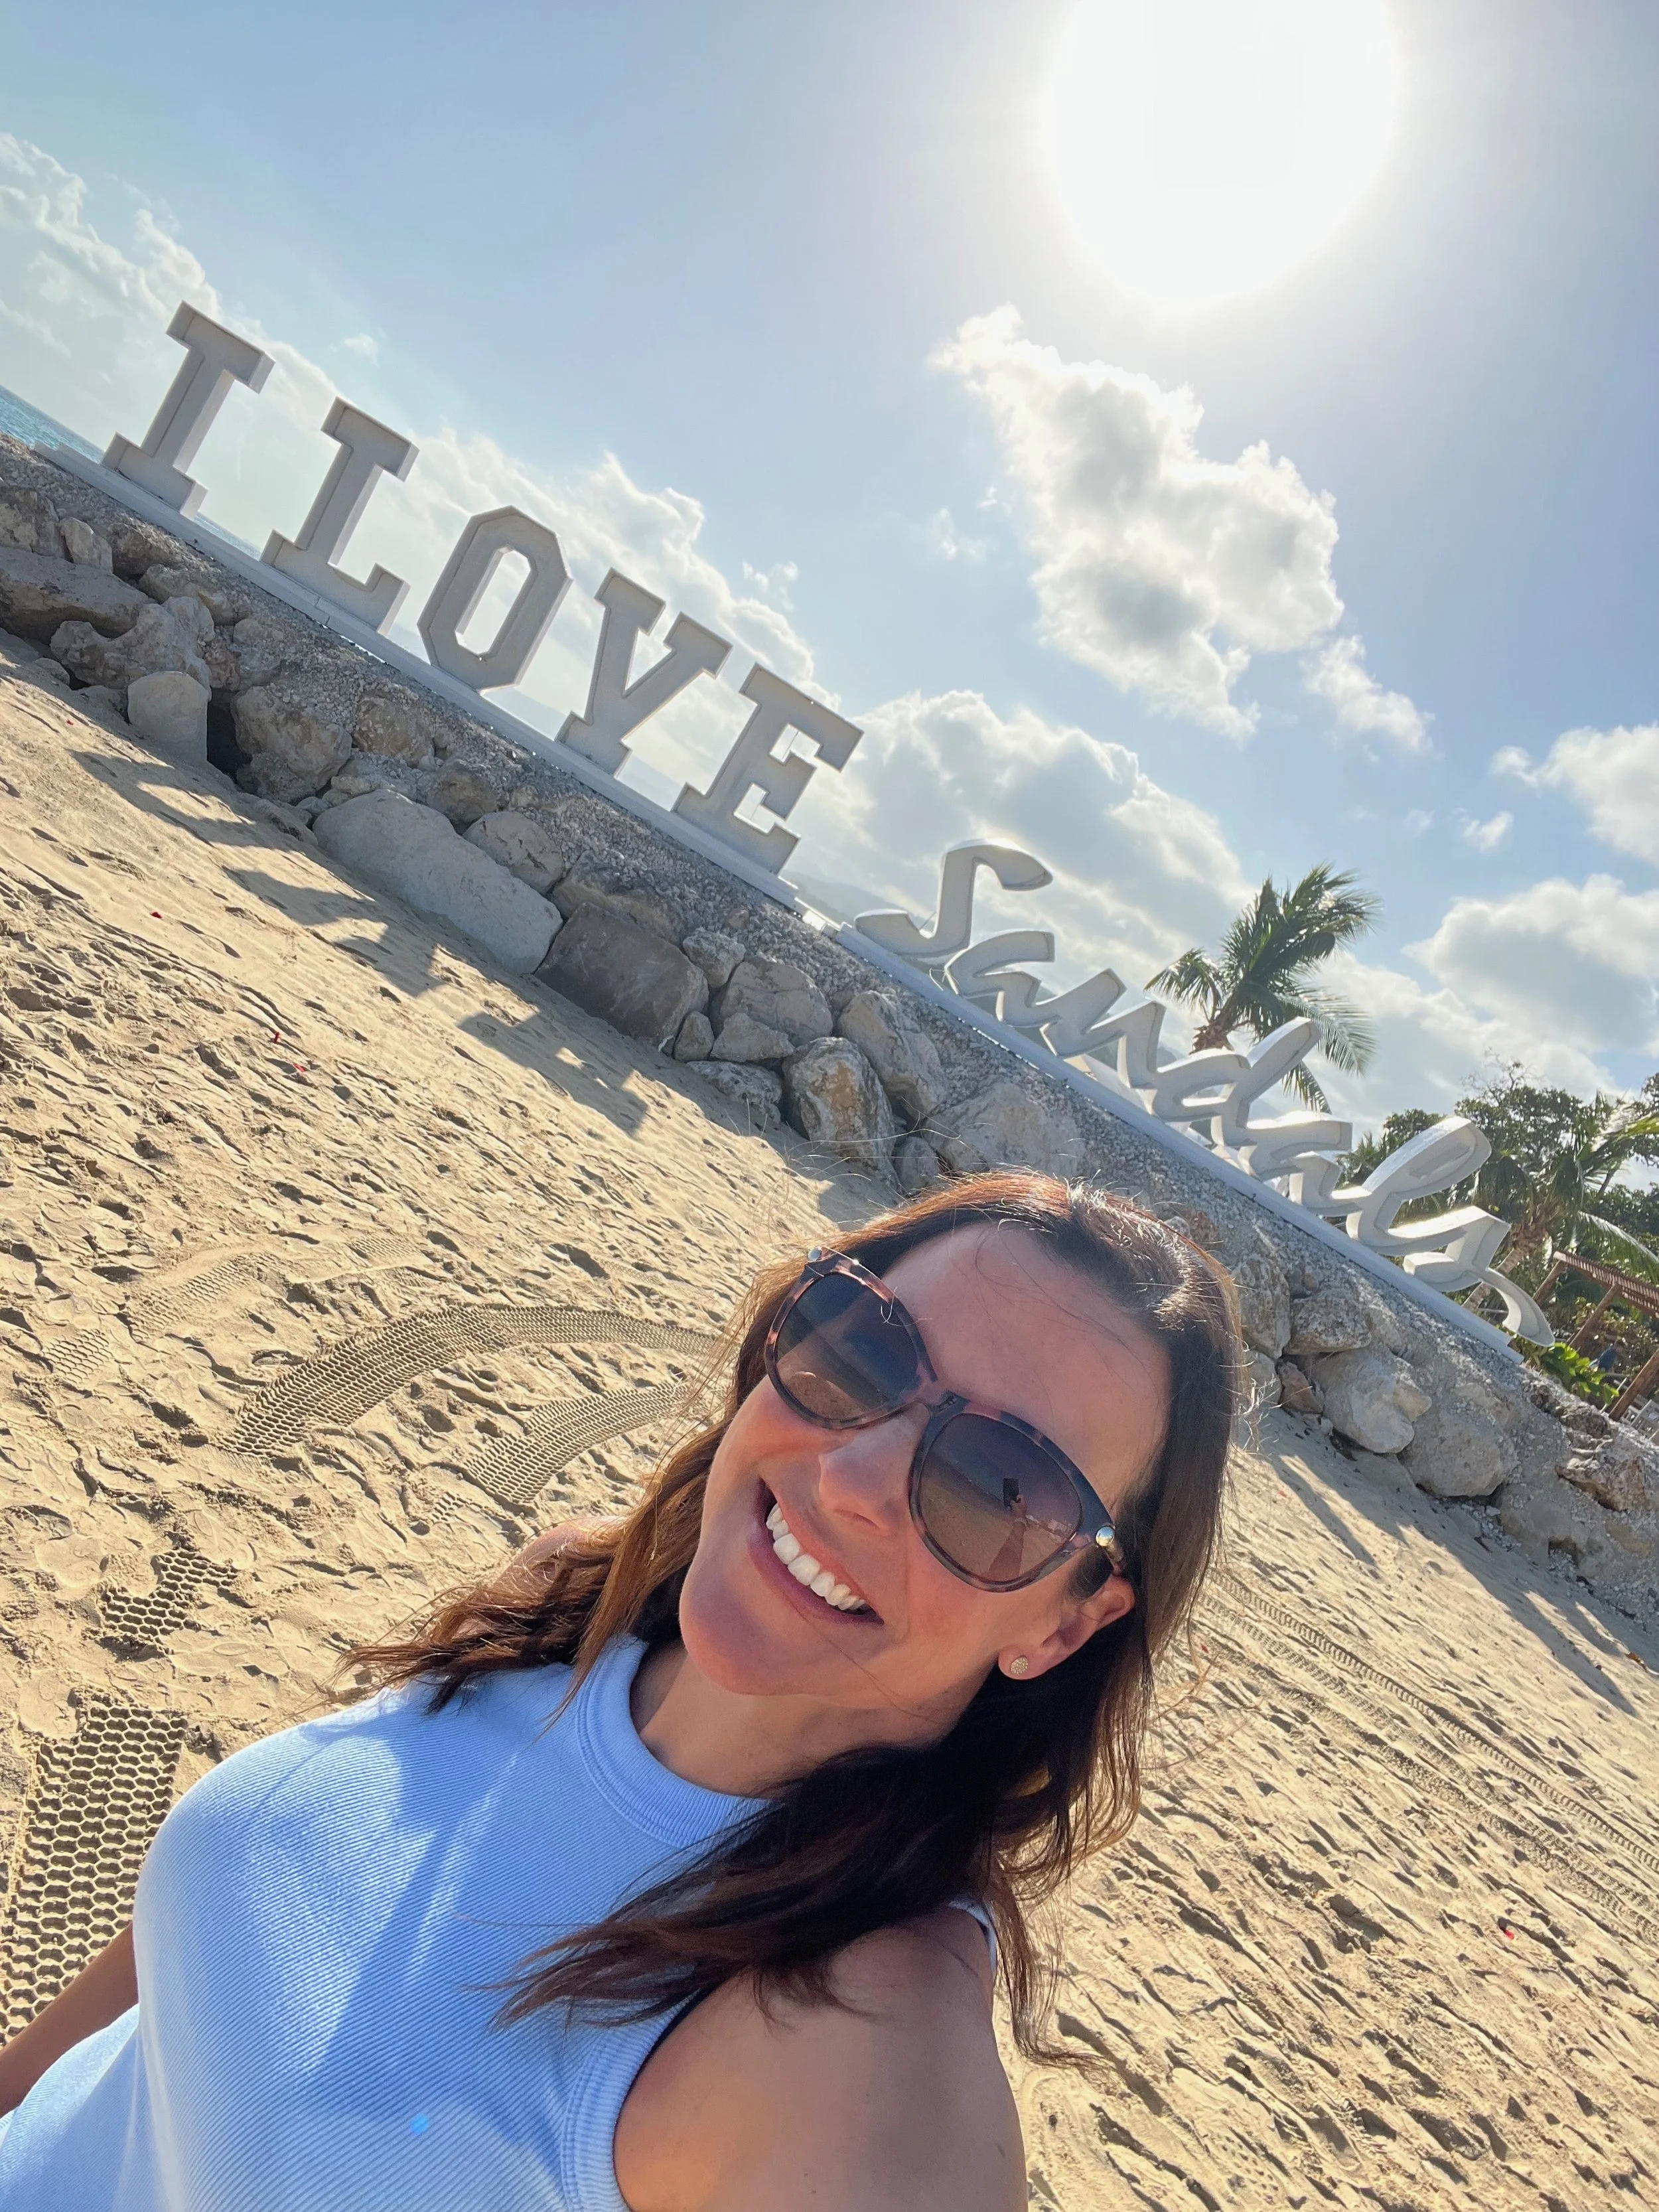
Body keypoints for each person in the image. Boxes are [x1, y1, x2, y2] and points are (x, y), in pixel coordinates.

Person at [0, 1171, 1240, 2211]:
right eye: (863, 1350)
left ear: (1068, 1622)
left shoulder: (864, 2051)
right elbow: (156, 2004)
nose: (854, 1474)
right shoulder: (573, 1605)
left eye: (999, 1487)